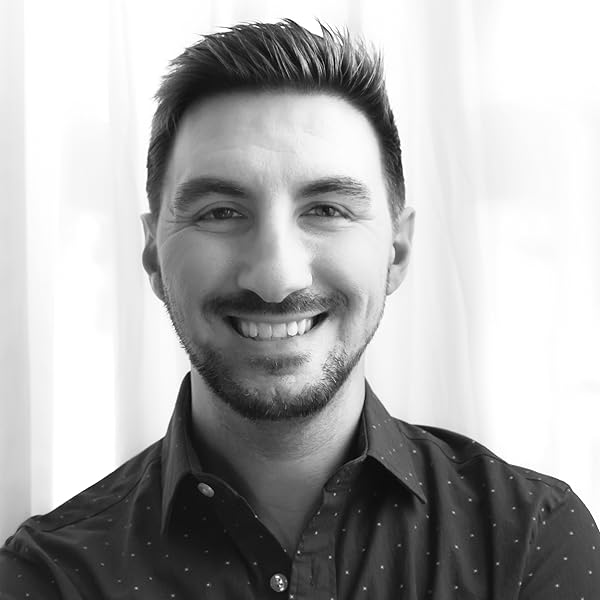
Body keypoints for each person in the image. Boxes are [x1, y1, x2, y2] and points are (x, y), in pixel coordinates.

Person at [1, 19, 599, 599]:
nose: (276, 278)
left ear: (396, 251)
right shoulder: (48, 578)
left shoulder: (531, 540)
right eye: (220, 212)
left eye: (327, 209)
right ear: (154, 257)